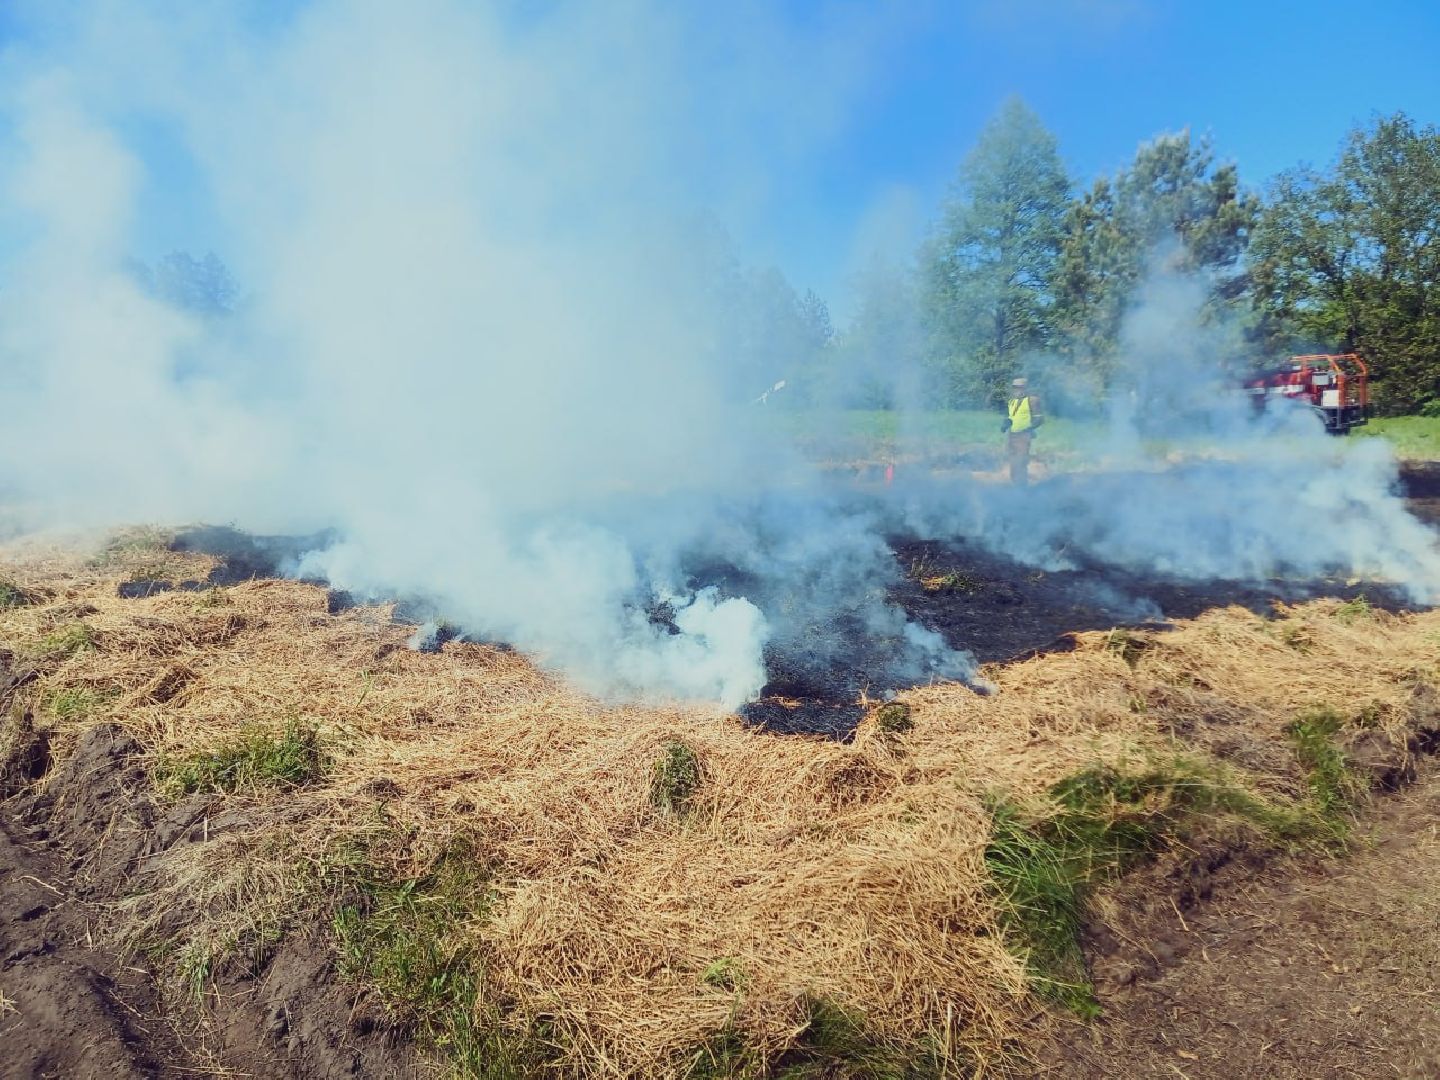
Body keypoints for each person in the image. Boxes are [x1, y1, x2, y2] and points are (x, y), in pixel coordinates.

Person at [1001, 377, 1042, 486]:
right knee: (1013, 463)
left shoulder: (1032, 400)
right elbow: (1010, 417)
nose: (1017, 390)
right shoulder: (1012, 401)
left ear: (1025, 388)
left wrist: (1029, 429)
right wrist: (1005, 424)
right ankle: (1016, 486)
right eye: (1015, 387)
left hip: (1024, 436)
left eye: (1020, 387)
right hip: (1012, 436)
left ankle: (1022, 488)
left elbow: (1039, 419)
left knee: (1021, 462)